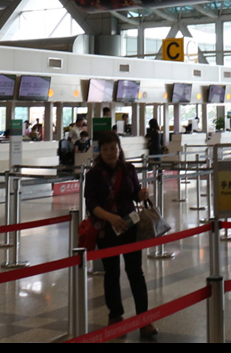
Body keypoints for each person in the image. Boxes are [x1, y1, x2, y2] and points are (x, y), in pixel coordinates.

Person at [84, 131, 154, 338]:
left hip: (130, 227)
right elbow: (91, 204)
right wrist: (111, 218)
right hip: (107, 230)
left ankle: (144, 319)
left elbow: (134, 194)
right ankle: (115, 316)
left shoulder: (128, 169)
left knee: (136, 272)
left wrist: (141, 194)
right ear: (99, 151)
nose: (109, 152)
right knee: (112, 273)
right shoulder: (94, 175)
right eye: (105, 149)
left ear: (119, 149)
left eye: (113, 148)